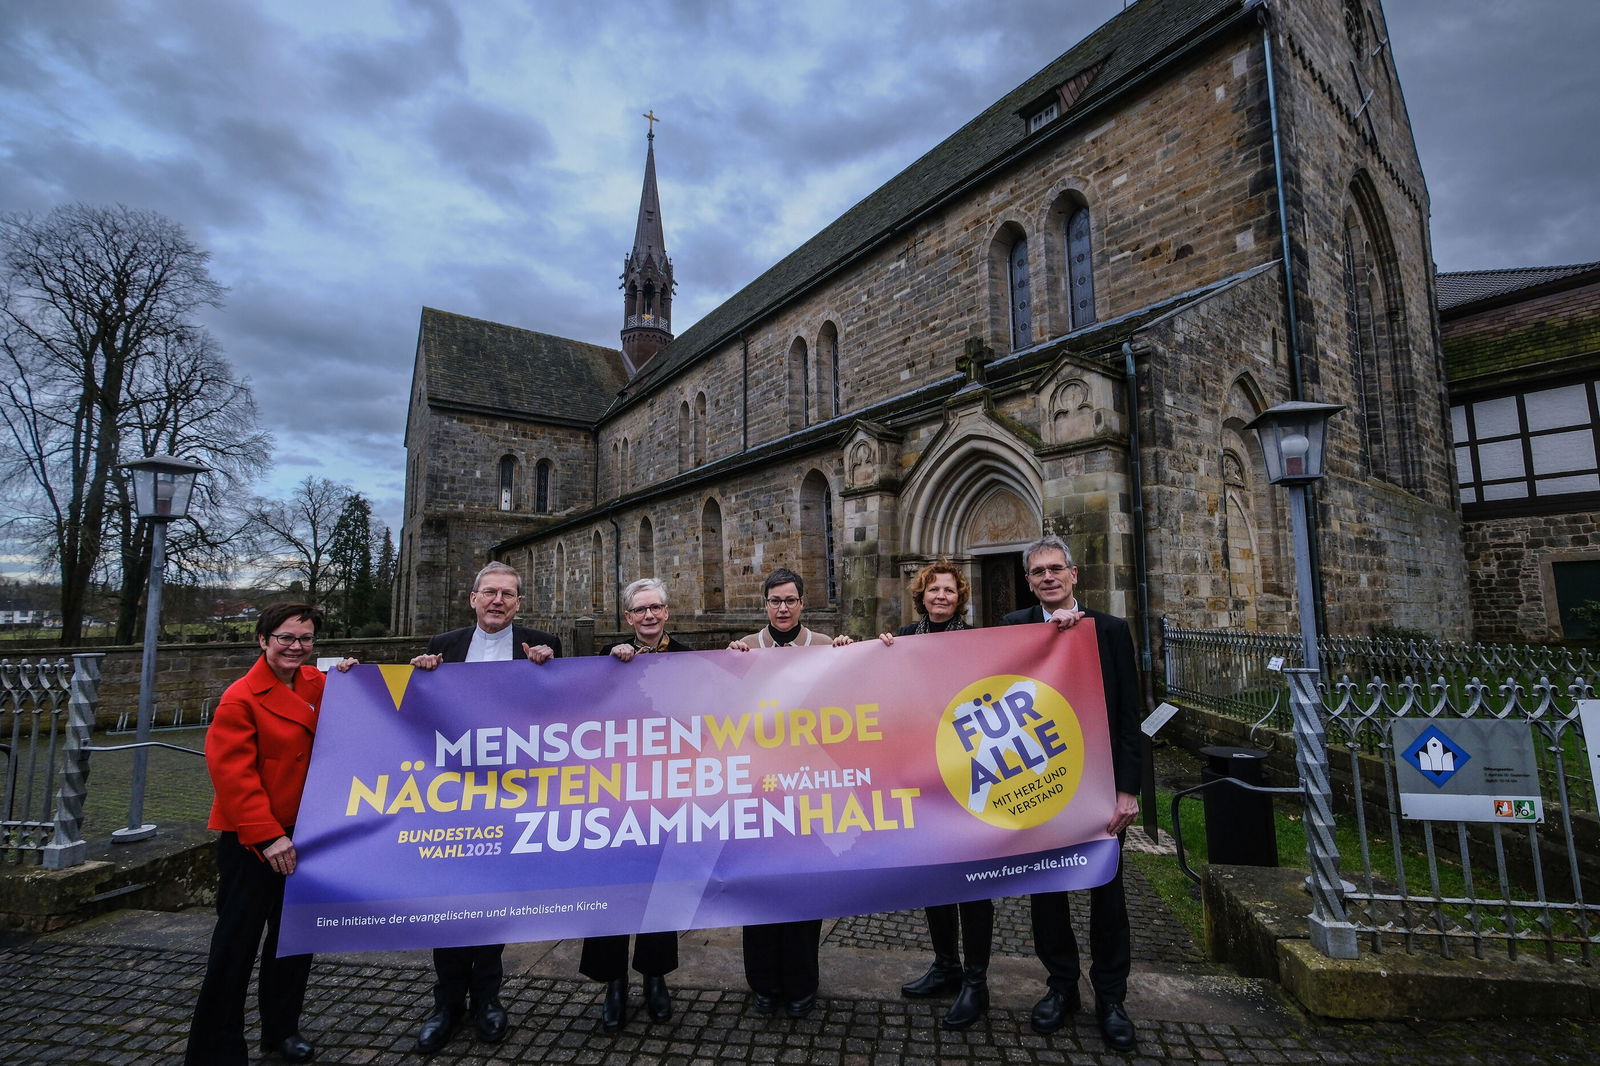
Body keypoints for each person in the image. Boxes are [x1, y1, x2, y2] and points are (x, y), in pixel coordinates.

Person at [185, 603, 354, 1065]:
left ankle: (281, 1030)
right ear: (263, 640)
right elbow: (232, 775)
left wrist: (355, 673)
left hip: (307, 835)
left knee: (293, 942)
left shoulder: (320, 685)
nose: (295, 647)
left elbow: (364, 702)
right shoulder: (241, 697)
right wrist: (266, 837)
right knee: (234, 949)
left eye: (304, 639)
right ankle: (216, 1049)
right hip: (254, 842)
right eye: (285, 638)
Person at [408, 561, 560, 1054]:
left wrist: (550, 671)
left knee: (495, 902)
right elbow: (413, 714)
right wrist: (417, 676)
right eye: (490, 592)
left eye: (508, 594)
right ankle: (446, 1003)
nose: (498, 601)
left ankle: (488, 1000)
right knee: (449, 904)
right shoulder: (443, 645)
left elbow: (565, 711)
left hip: (509, 797)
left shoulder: (542, 645)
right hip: (451, 799)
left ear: (519, 603)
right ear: (472, 598)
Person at [1002, 534, 1141, 1052]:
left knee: (1107, 895)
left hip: (1099, 786)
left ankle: (1111, 996)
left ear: (1074, 574)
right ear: (1029, 581)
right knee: (1047, 893)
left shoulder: (1108, 630)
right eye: (1038, 572)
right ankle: (1061, 987)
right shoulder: (1015, 629)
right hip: (1039, 783)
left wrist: (1128, 790)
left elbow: (1129, 717)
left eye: (1055, 569)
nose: (1047, 578)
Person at [727, 567, 853, 1017]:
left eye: (790, 600)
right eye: (775, 601)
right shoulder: (743, 650)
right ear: (764, 605)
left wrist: (851, 655)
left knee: (803, 891)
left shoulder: (824, 647)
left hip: (807, 790)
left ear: (803, 603)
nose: (783, 608)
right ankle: (763, 983)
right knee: (758, 890)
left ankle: (802, 983)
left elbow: (853, 699)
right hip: (757, 792)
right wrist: (729, 664)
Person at [877, 560, 993, 1030]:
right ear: (921, 594)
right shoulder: (902, 638)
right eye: (933, 589)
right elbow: (883, 693)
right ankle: (945, 964)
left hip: (969, 775)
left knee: (975, 882)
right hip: (923, 775)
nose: (941, 596)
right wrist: (871, 653)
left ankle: (976, 981)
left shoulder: (979, 642)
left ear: (959, 596)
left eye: (949, 590)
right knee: (937, 879)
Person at [580, 577, 689, 1031]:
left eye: (656, 608)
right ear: (628, 617)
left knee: (658, 890)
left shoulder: (689, 657)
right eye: (640, 609)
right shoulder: (608, 658)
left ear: (666, 612)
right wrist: (611, 665)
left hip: (667, 791)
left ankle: (655, 978)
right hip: (615, 794)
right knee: (611, 888)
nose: (648, 616)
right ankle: (613, 984)